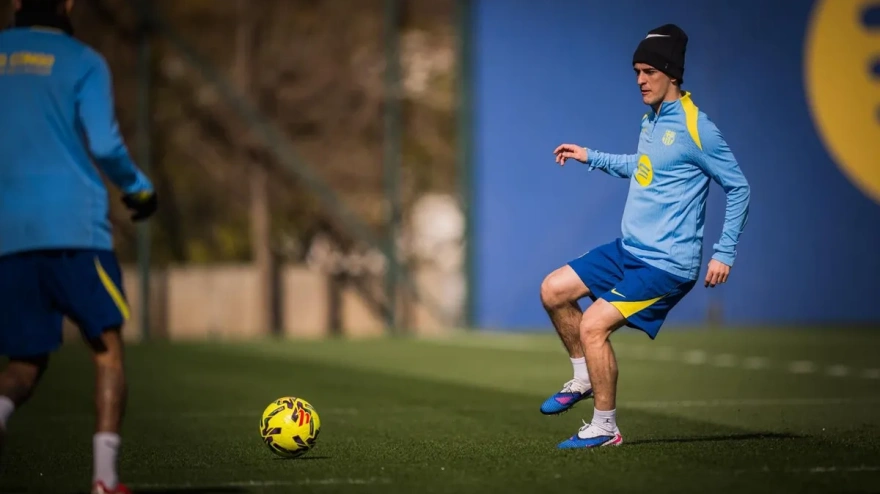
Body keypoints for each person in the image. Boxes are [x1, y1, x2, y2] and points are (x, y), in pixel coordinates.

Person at [540, 24, 750, 448]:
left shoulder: (698, 128)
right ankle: (583, 377)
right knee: (554, 290)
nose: (640, 80)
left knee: (594, 325)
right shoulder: (652, 119)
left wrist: (723, 252)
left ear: (672, 73)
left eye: (649, 71)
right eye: (636, 70)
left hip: (665, 264)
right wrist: (591, 157)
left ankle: (605, 428)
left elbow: (739, 186)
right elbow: (645, 165)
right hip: (629, 250)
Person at [0, 1, 157, 492]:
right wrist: (137, 188)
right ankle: (105, 481)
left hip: (8, 234)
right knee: (106, 350)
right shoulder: (83, 60)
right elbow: (107, 147)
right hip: (74, 229)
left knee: (25, 364)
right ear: (68, 5)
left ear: (15, 4)